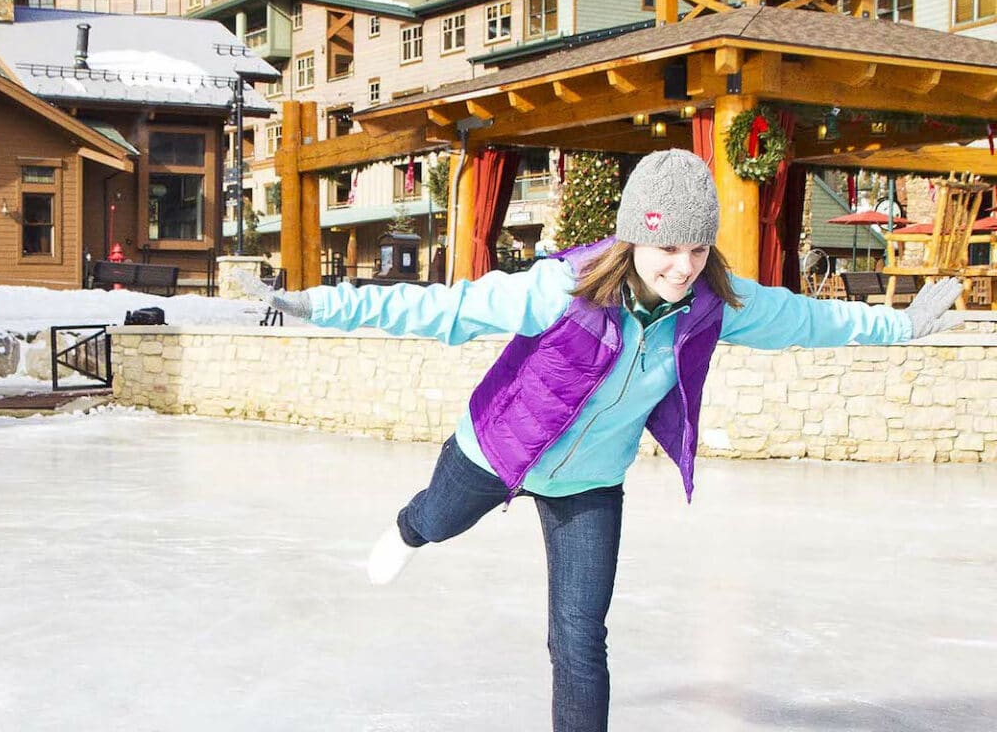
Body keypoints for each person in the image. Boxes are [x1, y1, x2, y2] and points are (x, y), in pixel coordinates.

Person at [237, 149, 964, 732]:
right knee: (436, 519)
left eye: (697, 247)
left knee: (581, 639)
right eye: (668, 246)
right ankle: (409, 525)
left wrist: (897, 324)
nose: (682, 266)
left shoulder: (708, 306)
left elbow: (807, 320)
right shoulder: (559, 289)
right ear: (636, 236)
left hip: (590, 483)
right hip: (496, 450)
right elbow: (441, 309)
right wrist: (320, 305)